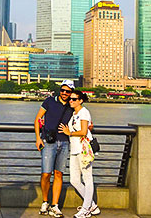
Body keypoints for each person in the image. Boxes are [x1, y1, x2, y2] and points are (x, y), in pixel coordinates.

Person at [34, 79, 74, 217]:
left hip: (64, 142)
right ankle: (45, 201)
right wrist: (38, 138)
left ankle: (55, 205)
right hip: (48, 142)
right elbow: (38, 118)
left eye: (67, 91)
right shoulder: (49, 101)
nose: (64, 93)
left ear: (71, 93)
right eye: (62, 90)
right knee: (46, 173)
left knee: (59, 173)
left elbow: (81, 117)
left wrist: (89, 126)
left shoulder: (72, 105)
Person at [59, 90, 100, 218]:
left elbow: (83, 131)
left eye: (74, 99)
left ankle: (85, 209)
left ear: (80, 100)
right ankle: (92, 205)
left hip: (84, 149)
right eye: (70, 99)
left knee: (88, 179)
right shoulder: (74, 113)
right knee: (74, 180)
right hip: (74, 149)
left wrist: (68, 132)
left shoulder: (84, 112)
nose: (71, 101)